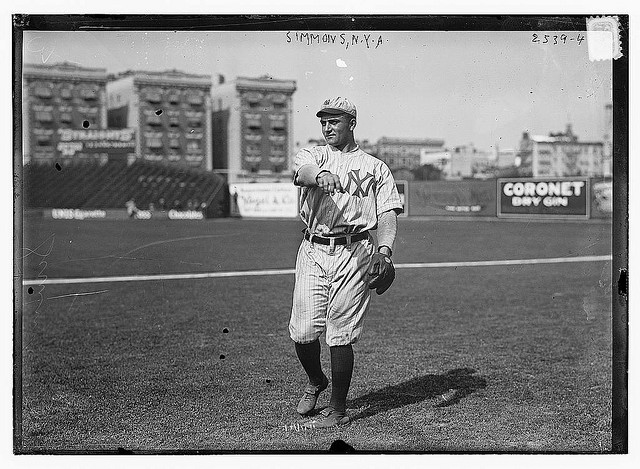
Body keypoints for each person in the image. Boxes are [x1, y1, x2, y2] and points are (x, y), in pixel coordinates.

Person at [289, 97, 403, 428]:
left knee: (341, 333)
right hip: (313, 248)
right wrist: (319, 175)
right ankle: (316, 380)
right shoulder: (315, 154)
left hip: (355, 252)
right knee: (303, 331)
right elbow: (302, 172)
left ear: (351, 123)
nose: (327, 127)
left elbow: (388, 213)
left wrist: (384, 251)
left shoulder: (376, 167)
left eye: (334, 121)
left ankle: (337, 410)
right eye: (323, 121)